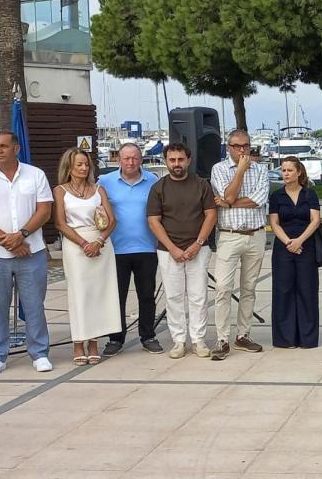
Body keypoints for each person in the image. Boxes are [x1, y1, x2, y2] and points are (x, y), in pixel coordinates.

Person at [0, 130, 54, 376]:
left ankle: (39, 353)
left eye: (3, 146)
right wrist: (9, 241)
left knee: (34, 305)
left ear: (16, 148)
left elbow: (44, 210)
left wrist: (22, 235)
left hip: (31, 253)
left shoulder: (35, 175)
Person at [147, 143, 217, 359]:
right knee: (174, 297)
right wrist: (173, 249)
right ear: (166, 161)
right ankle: (178, 340)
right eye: (172, 160)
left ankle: (198, 340)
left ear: (188, 160)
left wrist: (198, 243)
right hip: (169, 251)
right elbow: (153, 220)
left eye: (180, 159)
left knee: (198, 296)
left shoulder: (202, 185)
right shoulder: (158, 188)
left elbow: (211, 215)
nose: (176, 164)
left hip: (199, 249)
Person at [52, 148, 121, 365]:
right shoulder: (60, 191)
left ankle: (93, 342)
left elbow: (112, 220)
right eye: (79, 164)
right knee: (79, 294)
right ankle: (78, 342)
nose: (83, 168)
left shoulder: (98, 189)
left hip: (100, 244)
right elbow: (60, 223)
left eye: (86, 164)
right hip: (76, 245)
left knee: (98, 294)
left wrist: (99, 241)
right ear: (69, 167)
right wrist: (83, 243)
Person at [210, 129, 270, 359]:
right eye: (237, 146)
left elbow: (258, 200)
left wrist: (228, 203)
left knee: (249, 287)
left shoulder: (261, 169)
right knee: (223, 288)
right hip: (229, 234)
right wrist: (240, 172)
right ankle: (222, 339)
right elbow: (228, 194)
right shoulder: (219, 169)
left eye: (246, 145)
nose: (242, 150)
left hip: (255, 234)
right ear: (229, 148)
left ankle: (243, 335)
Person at [98, 143, 163, 355]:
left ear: (141, 159)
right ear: (119, 160)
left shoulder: (153, 180)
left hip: (147, 248)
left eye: (135, 158)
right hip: (116, 249)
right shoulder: (104, 182)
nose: (131, 162)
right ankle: (115, 338)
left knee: (147, 296)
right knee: (117, 297)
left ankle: (148, 336)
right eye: (126, 158)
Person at [268, 157, 321, 348]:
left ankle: (307, 338)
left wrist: (299, 241)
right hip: (284, 246)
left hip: (306, 245)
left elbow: (315, 220)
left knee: (307, 290)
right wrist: (289, 242)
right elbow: (274, 223)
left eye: (290, 170)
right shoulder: (277, 196)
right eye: (283, 170)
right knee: (284, 291)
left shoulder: (309, 194)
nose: (286, 174)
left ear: (299, 172)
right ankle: (286, 338)